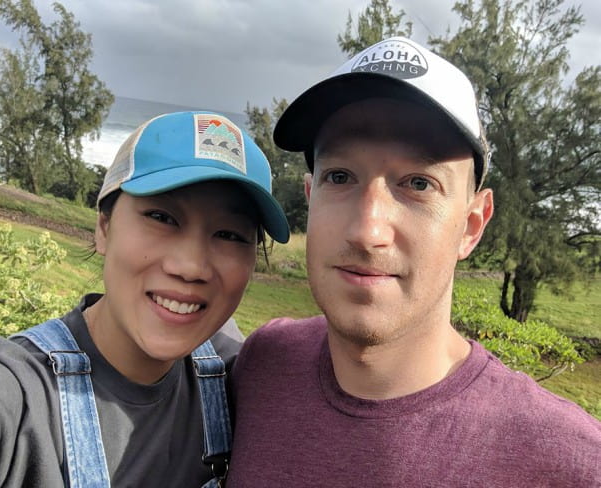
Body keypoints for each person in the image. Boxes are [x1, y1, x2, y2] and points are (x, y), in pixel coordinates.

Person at [226, 36, 601, 486]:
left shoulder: (569, 464)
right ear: (310, 197)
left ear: (471, 225)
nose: (368, 231)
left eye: (419, 184)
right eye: (340, 176)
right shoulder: (263, 365)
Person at [0, 111, 289, 487]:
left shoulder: (239, 376)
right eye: (162, 216)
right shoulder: (12, 395)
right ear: (104, 228)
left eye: (230, 235)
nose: (191, 267)